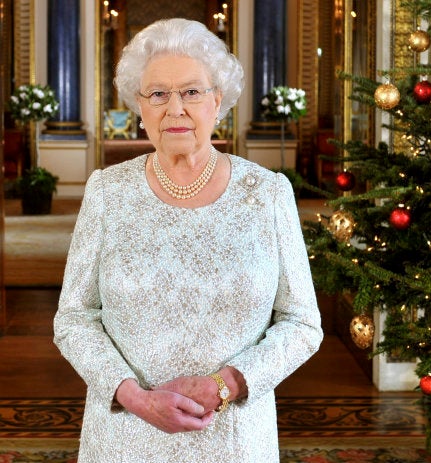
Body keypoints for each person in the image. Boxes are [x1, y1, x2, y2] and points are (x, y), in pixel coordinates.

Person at [53, 18, 323, 463]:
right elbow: (74, 318)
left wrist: (226, 384)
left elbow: (302, 323)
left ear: (218, 101)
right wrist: (134, 396)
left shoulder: (268, 193)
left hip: (235, 438)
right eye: (157, 94)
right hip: (126, 438)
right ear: (139, 108)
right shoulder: (107, 191)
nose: (174, 108)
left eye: (192, 92)